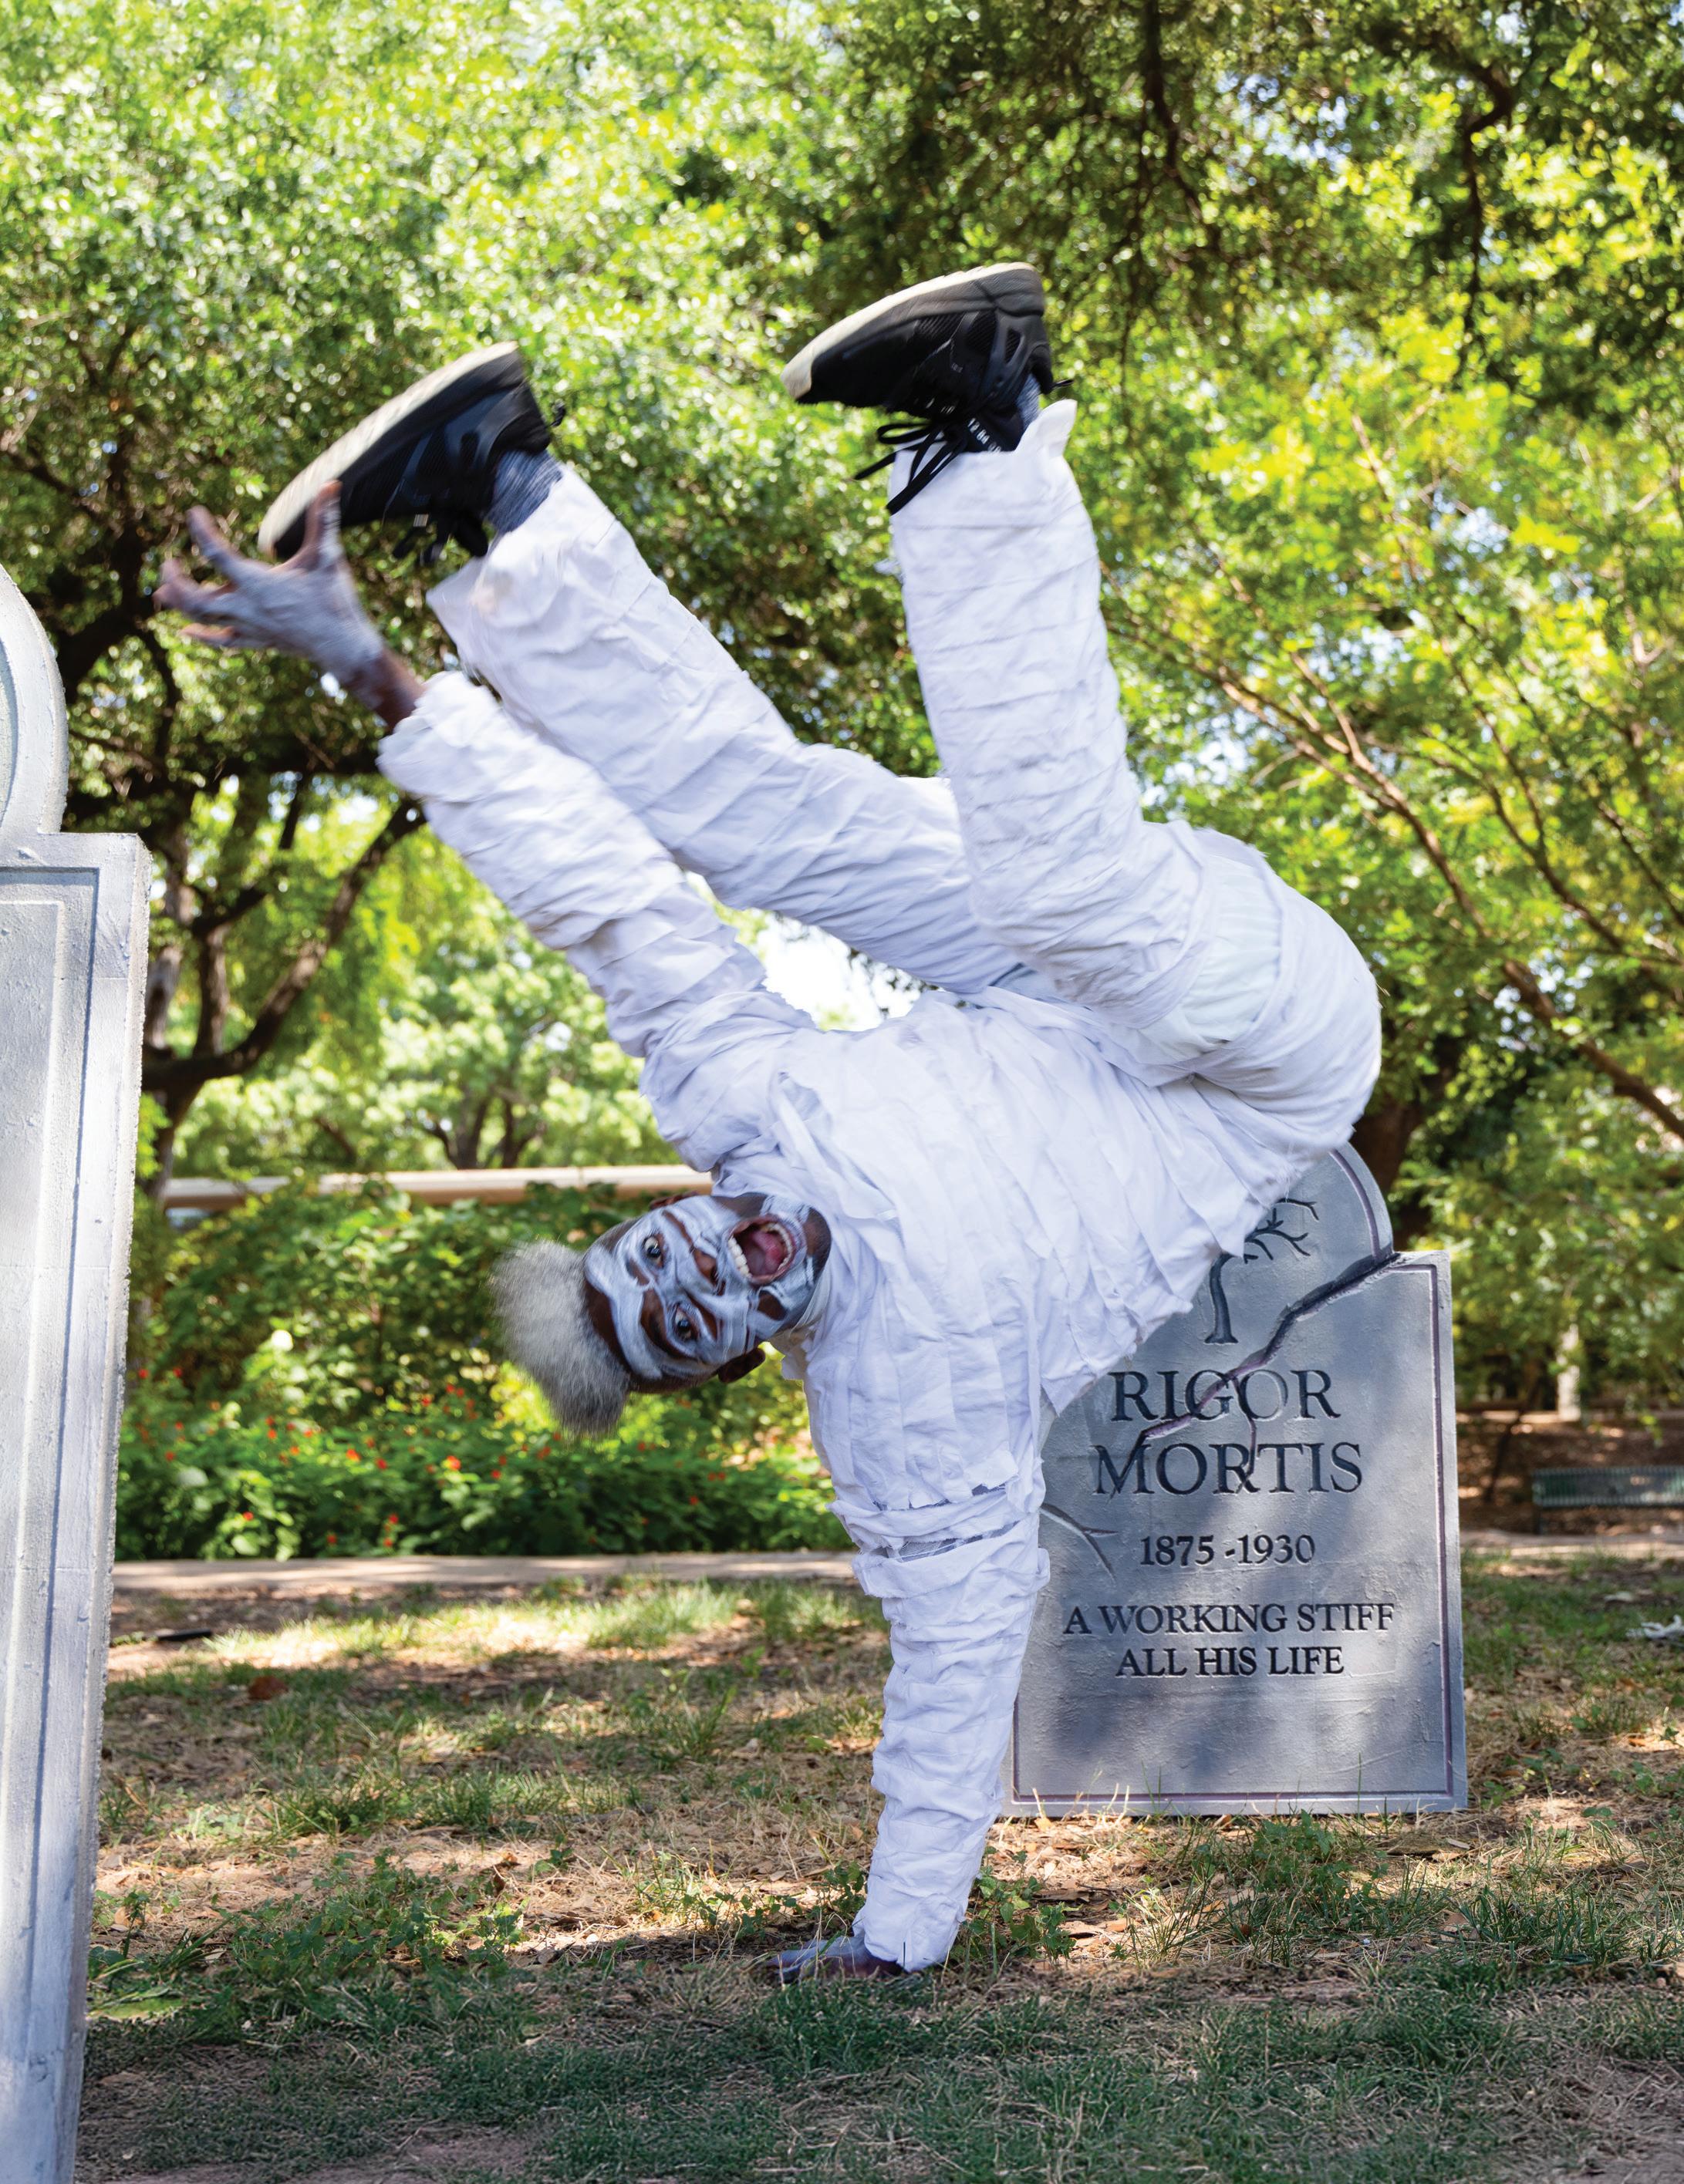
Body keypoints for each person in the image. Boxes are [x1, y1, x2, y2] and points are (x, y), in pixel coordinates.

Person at [156, 264, 1381, 1978]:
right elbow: (957, 1649)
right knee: (1061, 882)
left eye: (665, 1252)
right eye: (692, 1318)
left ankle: (505, 484)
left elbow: (603, 900)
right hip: (1259, 1054)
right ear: (738, 1362)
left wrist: (369, 668)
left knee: (750, 825)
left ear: (671, 1208)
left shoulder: (745, 1114)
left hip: (1050, 984)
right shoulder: (898, 1412)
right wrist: (897, 1935)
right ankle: (988, 422)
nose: (711, 1266)